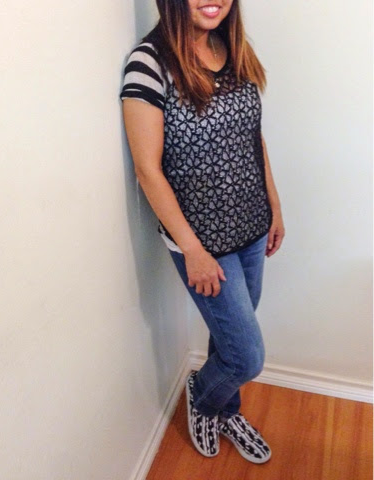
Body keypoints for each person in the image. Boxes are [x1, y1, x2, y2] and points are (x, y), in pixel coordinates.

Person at [119, 0, 285, 463]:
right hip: (202, 242)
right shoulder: (149, 64)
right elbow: (148, 171)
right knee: (246, 356)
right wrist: (191, 249)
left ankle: (226, 410)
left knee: (228, 339)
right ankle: (204, 397)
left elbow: (253, 138)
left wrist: (274, 205)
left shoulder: (232, 47)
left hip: (252, 225)